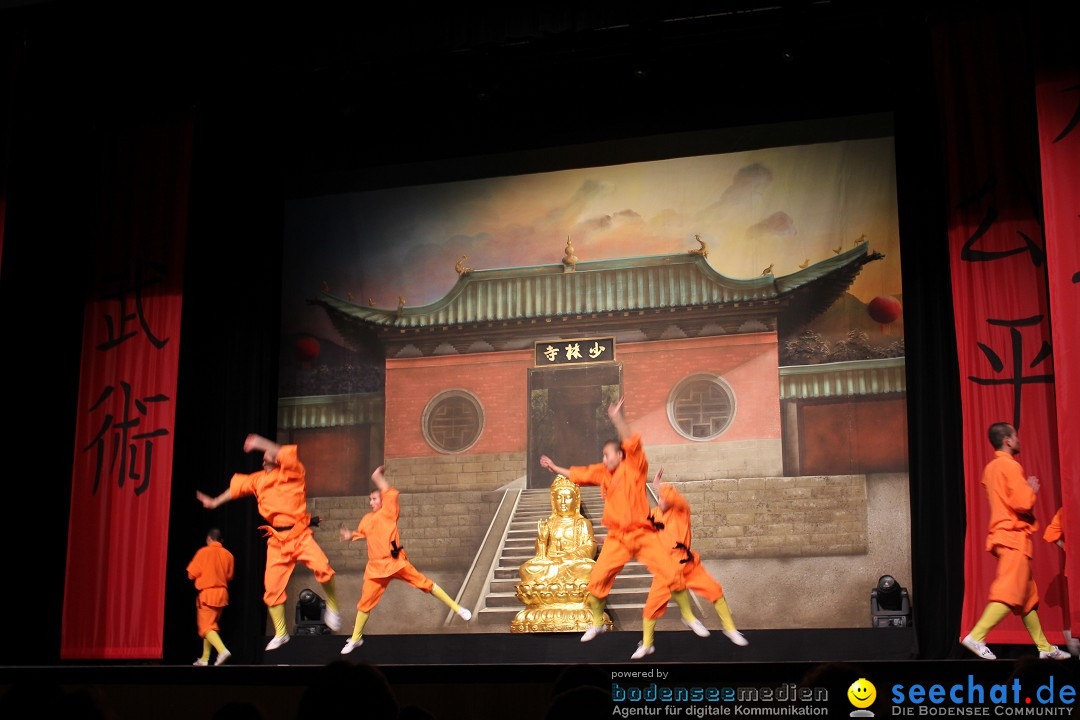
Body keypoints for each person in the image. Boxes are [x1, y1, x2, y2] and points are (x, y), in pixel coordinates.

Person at [539, 397, 705, 656]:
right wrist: (553, 467)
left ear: (619, 455)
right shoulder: (602, 472)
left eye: (607, 455)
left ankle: (688, 616)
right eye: (603, 456)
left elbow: (632, 440)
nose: (604, 459)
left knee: (671, 572)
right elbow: (577, 473)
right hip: (617, 537)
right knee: (596, 582)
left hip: (642, 533)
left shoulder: (635, 466)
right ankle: (597, 624)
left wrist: (617, 418)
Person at [197, 434, 341, 651]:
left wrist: (259, 442)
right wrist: (215, 501)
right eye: (263, 456)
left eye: (269, 454)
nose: (264, 458)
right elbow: (236, 489)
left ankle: (332, 605)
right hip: (277, 540)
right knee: (271, 589)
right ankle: (281, 633)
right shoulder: (257, 479)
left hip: (299, 534)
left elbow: (285, 453)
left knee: (323, 568)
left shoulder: (293, 473)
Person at [961, 422, 1069, 660]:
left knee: (1027, 599)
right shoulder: (1009, 466)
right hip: (1013, 537)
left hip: (1007, 536)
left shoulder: (990, 468)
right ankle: (977, 635)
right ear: (1008, 440)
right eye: (1016, 436)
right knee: (1009, 593)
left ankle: (1044, 648)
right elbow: (1021, 503)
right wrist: (1031, 490)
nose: (1019, 440)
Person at [338, 465, 472, 654]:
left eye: (374, 499)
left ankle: (457, 608)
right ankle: (356, 638)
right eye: (370, 499)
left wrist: (377, 477)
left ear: (382, 501)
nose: (371, 502)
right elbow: (362, 533)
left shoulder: (389, 510)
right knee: (364, 603)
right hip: (375, 568)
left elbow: (387, 491)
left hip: (395, 562)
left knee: (425, 584)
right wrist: (349, 535)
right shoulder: (367, 519)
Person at [636, 468, 749, 658]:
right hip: (667, 569)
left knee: (715, 591)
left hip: (688, 564)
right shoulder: (653, 515)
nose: (662, 501)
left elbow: (674, 497)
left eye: (665, 498)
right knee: (651, 606)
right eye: (660, 498)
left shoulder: (681, 511)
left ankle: (730, 629)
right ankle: (647, 644)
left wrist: (659, 486)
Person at [186, 528, 235, 666]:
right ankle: (204, 659)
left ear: (208, 539)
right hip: (222, 595)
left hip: (207, 594)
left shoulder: (203, 552)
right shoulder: (229, 555)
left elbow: (191, 574)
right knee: (210, 626)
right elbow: (229, 576)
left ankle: (223, 650)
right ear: (221, 541)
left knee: (206, 627)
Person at [1043, 507, 1080, 655]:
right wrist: (1068, 548)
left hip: (1072, 568)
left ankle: (1072, 634)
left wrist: (1067, 548)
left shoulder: (1065, 510)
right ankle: (1072, 634)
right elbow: (1050, 533)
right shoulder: (1065, 510)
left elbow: (1050, 532)